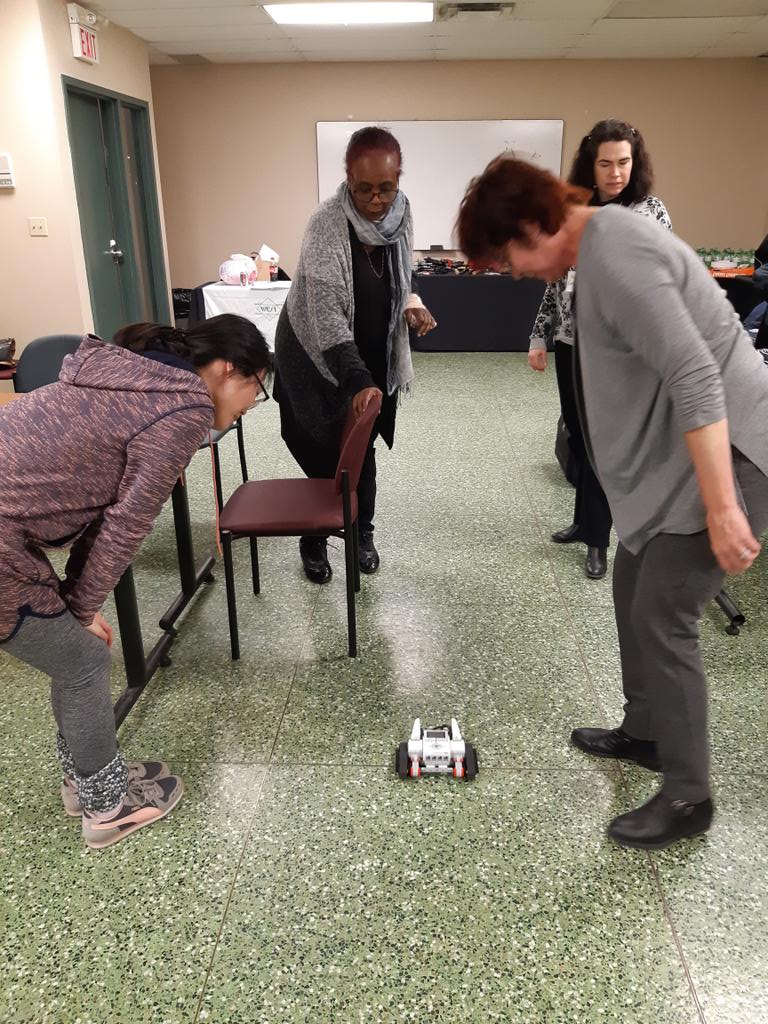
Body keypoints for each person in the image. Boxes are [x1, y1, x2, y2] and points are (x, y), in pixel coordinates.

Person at [457, 158, 768, 850]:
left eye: (508, 255)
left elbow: (695, 377)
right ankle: (648, 732)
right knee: (632, 578)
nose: (512, 272)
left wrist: (723, 509)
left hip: (735, 453)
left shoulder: (619, 252)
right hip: (680, 463)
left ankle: (690, 797)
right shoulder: (594, 250)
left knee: (664, 610)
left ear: (537, 224)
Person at [0, 315, 272, 850]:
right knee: (81, 661)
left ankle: (87, 783)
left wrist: (74, 606)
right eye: (256, 390)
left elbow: (99, 512)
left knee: (74, 654)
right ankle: (105, 811)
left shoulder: (124, 372)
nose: (247, 407)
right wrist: (77, 610)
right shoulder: (183, 407)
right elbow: (124, 526)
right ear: (226, 368)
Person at [274, 126, 436, 584]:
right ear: (347, 178)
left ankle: (362, 533)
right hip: (315, 362)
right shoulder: (326, 225)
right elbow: (326, 318)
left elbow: (401, 277)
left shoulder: (401, 217)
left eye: (386, 187)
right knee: (325, 459)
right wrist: (360, 382)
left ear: (398, 180)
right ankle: (315, 538)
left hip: (370, 359)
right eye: (364, 188)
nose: (375, 199)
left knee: (362, 457)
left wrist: (412, 302)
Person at [527, 119, 671, 580]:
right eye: (606, 163)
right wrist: (539, 335)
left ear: (636, 162)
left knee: (606, 444)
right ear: (590, 166)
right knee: (580, 434)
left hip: (620, 353)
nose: (615, 173)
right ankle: (582, 520)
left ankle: (598, 539)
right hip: (573, 344)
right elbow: (554, 281)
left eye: (624, 162)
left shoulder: (650, 212)